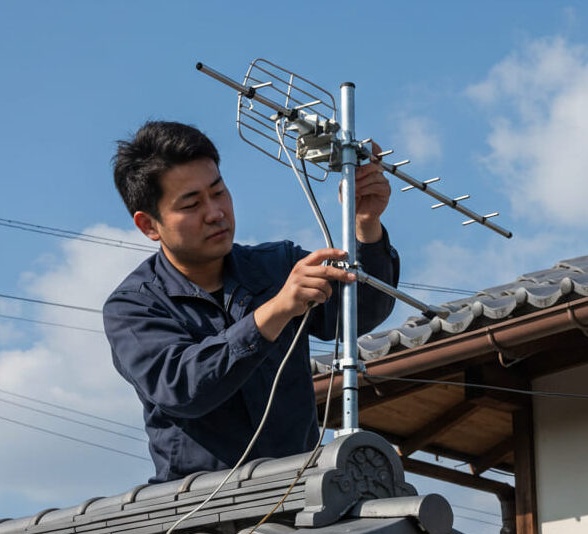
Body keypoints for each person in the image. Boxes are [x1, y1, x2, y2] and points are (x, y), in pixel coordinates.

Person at [103, 121, 399, 483]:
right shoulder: (133, 307)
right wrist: (276, 311)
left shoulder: (278, 265)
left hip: (299, 490)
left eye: (218, 192)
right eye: (191, 204)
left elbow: (361, 312)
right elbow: (182, 388)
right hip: (198, 513)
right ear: (149, 225)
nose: (215, 212)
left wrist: (365, 225)